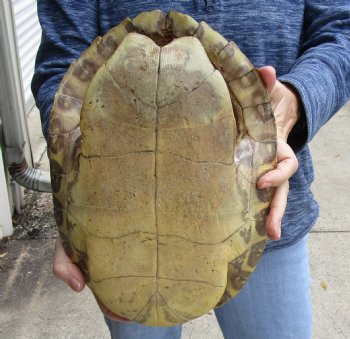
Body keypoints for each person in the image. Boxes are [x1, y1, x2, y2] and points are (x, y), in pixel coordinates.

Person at [32, 1, 350, 338]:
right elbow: (59, 59)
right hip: (121, 233)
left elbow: (342, 29)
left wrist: (292, 105)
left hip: (274, 211)